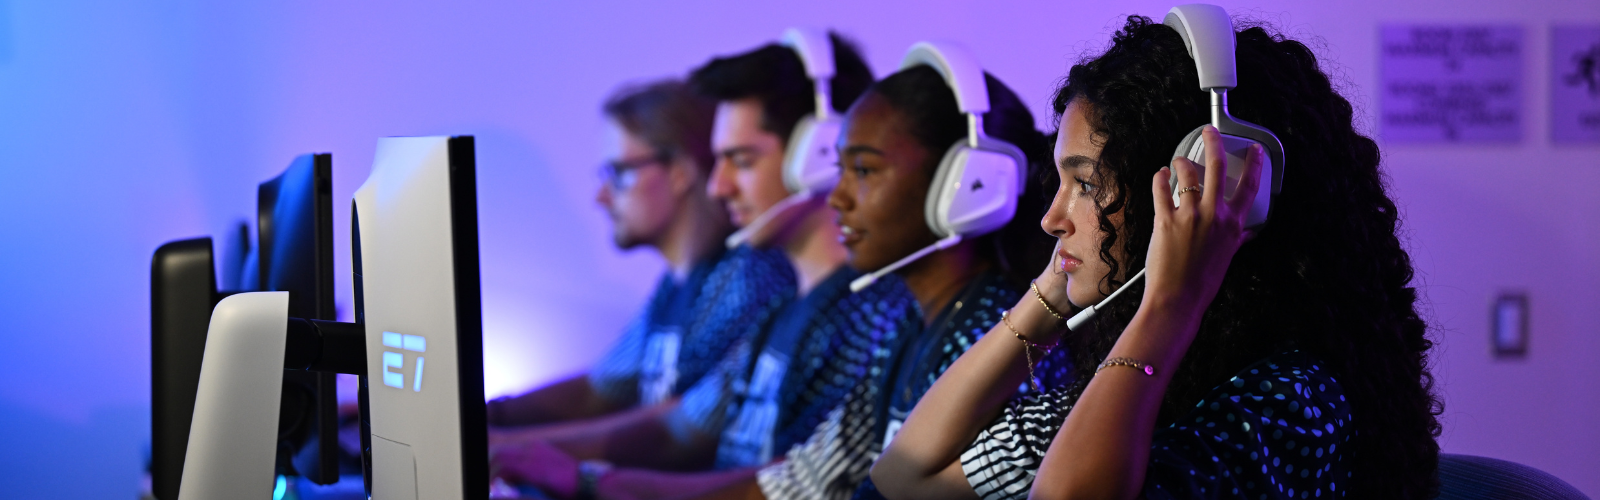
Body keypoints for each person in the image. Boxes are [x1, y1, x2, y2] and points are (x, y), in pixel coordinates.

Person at [867, 13, 1443, 500]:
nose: (1050, 219)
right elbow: (903, 478)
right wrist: (1049, 294)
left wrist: (1168, 302)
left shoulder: (1290, 403)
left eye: (1086, 185)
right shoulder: (1139, 380)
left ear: (1210, 189)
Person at [490, 32, 914, 499]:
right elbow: (678, 425)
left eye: (742, 160)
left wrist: (586, 480)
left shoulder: (869, 316)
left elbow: (789, 486)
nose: (718, 187)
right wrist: (508, 440)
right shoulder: (787, 305)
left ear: (817, 157)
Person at [718, 50, 1059, 500]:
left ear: (965, 184)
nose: (836, 198)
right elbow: (803, 483)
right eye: (839, 169)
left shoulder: (999, 343)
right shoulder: (912, 328)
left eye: (863, 170)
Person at [485, 80, 795, 431]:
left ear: (680, 172)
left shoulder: (748, 280)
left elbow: (676, 430)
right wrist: (493, 417)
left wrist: (515, 447)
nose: (601, 197)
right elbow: (600, 388)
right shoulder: (673, 287)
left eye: (618, 173)